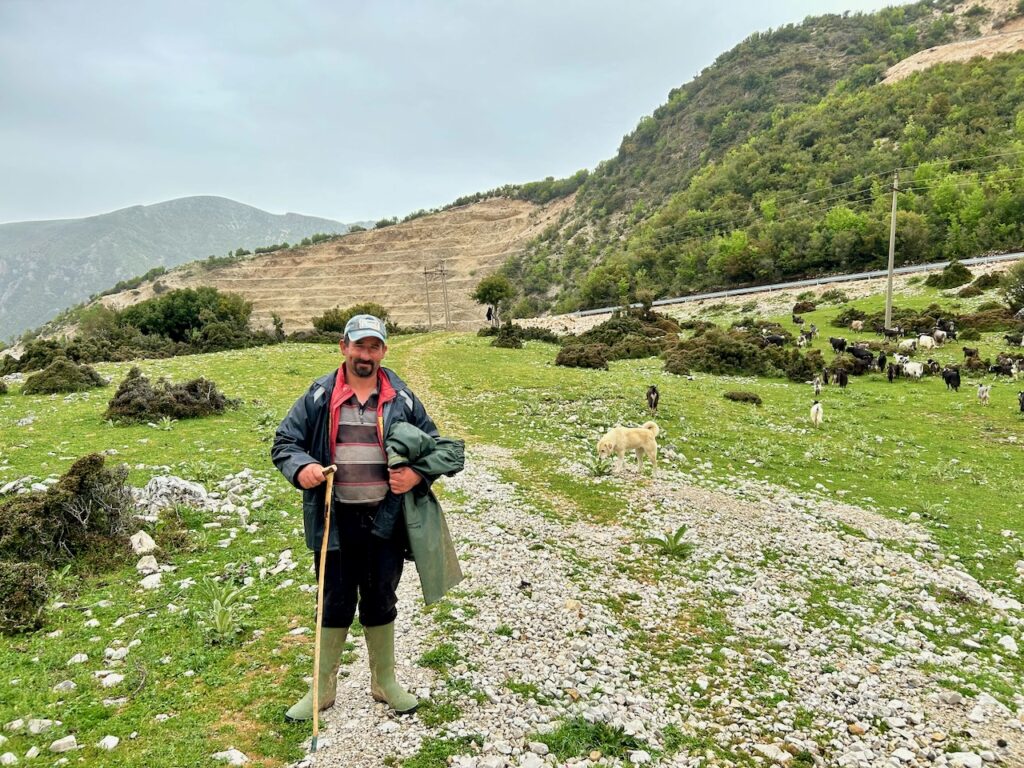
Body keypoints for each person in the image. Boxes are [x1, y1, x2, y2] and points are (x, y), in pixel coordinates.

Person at [271, 314, 439, 720]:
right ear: (343, 346)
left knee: (381, 597)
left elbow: (434, 444)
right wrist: (302, 468)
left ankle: (384, 683)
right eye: (359, 345)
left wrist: (417, 473)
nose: (366, 355)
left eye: (374, 346)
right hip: (335, 519)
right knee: (333, 601)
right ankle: (322, 690)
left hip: (387, 518)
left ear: (383, 350)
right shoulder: (319, 396)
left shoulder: (402, 398)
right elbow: (284, 442)